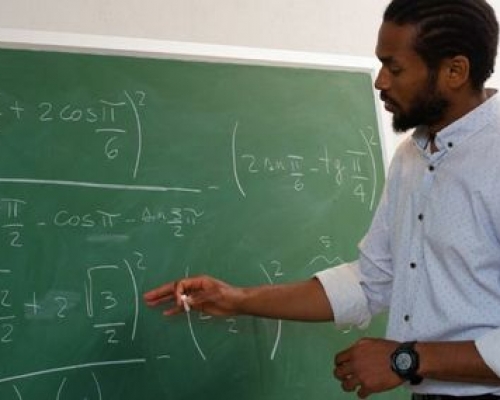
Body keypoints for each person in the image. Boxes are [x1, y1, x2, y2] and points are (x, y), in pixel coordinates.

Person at [143, 0, 500, 398]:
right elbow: (371, 281)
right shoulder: (411, 158)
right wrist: (236, 299)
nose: (380, 81)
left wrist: (408, 359)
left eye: (395, 68)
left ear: (455, 71)